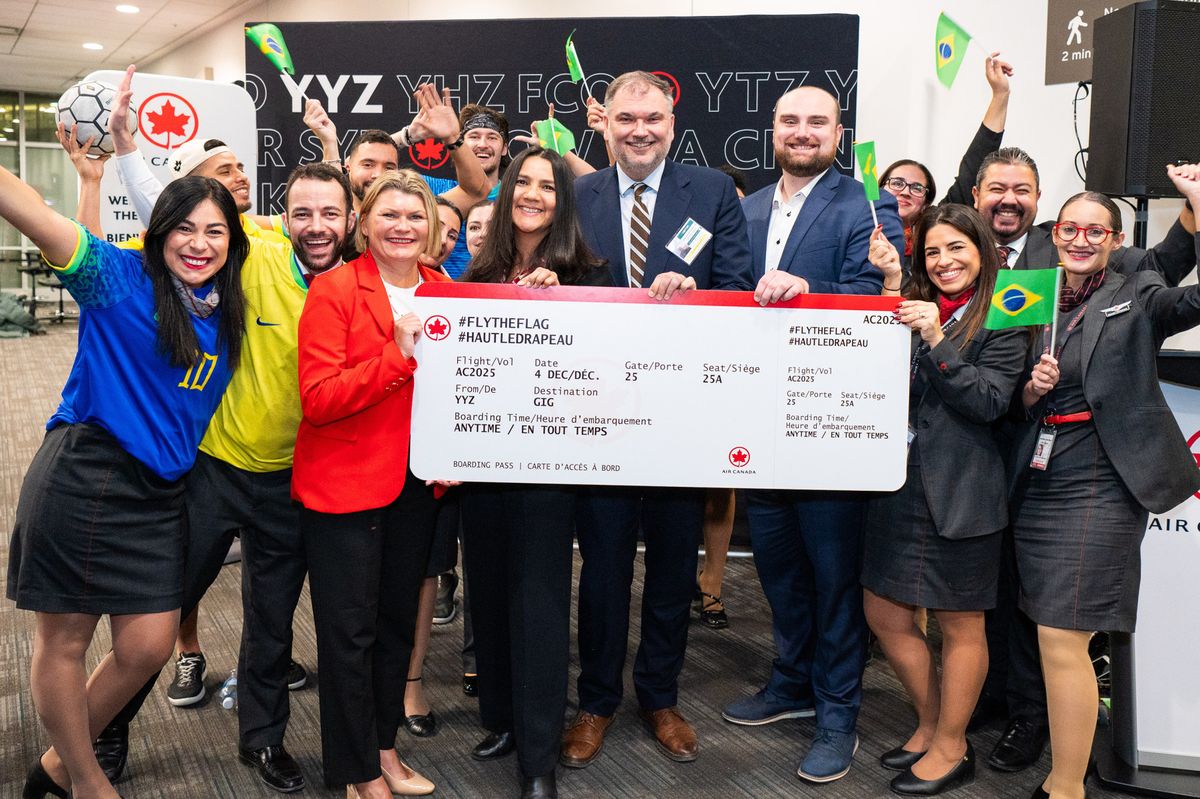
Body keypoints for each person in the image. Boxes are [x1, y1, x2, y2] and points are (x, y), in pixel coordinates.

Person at [4, 168, 247, 799]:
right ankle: (83, 780)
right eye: (185, 228)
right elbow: (32, 211)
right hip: (88, 476)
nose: (199, 243)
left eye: (215, 231)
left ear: (233, 242)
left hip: (161, 492)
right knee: (65, 642)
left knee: (148, 646)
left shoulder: (226, 309)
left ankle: (56, 767)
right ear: (159, 233)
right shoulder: (120, 277)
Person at [970, 146, 1199, 775]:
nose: (1078, 239)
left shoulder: (1137, 290)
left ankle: (1066, 784)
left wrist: (1194, 207)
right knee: (1043, 626)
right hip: (1038, 477)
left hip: (1103, 478)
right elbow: (1009, 391)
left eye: (1093, 230)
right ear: (1054, 233)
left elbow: (1184, 297)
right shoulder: (1032, 293)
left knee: (1063, 633)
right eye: (1069, 229)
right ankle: (1049, 749)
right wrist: (1031, 389)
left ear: (1114, 239)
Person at [561, 70, 754, 769]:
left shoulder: (707, 191)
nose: (639, 129)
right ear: (603, 122)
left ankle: (660, 695)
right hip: (602, 413)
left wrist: (699, 293)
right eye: (625, 118)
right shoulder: (574, 194)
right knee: (605, 568)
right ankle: (596, 701)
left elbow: (738, 286)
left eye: (652, 118)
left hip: (683, 417)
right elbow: (559, 285)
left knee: (674, 567)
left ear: (672, 122)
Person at [721, 85, 904, 784]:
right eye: (790, 121)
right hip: (760, 423)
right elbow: (724, 289)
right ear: (772, 129)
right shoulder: (746, 208)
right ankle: (792, 681)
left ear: (838, 131)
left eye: (816, 122)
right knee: (779, 571)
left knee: (833, 580)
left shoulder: (867, 205)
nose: (802, 132)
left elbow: (875, 300)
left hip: (828, 424)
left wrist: (809, 290)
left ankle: (838, 710)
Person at [459, 146, 611, 799]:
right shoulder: (477, 270)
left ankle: (539, 757)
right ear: (506, 192)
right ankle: (503, 719)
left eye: (549, 187)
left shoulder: (591, 273)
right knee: (487, 593)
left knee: (540, 602)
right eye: (524, 183)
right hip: (482, 465)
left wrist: (562, 300)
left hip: (550, 470)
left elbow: (606, 369)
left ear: (563, 201)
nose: (533, 195)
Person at [293, 169, 449, 799]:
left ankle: (384, 750)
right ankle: (357, 773)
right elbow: (319, 399)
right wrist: (398, 355)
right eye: (389, 215)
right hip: (344, 491)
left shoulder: (447, 290)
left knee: (392, 627)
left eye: (415, 216)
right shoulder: (334, 289)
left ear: (431, 227)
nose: (402, 226)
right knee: (348, 634)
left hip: (418, 485)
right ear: (363, 223)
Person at [863, 205, 1027, 796]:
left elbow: (987, 401)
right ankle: (931, 723)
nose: (944, 261)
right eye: (933, 251)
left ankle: (955, 746)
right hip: (897, 485)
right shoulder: (906, 305)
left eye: (957, 248)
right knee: (883, 612)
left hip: (963, 493)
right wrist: (889, 294)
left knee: (961, 622)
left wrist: (934, 337)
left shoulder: (1006, 316)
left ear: (982, 252)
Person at [878, 53, 1013, 264]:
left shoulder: (936, 227)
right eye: (896, 183)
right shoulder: (857, 223)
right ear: (879, 189)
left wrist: (1000, 95)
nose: (905, 191)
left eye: (916, 188)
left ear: (926, 203)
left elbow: (974, 165)